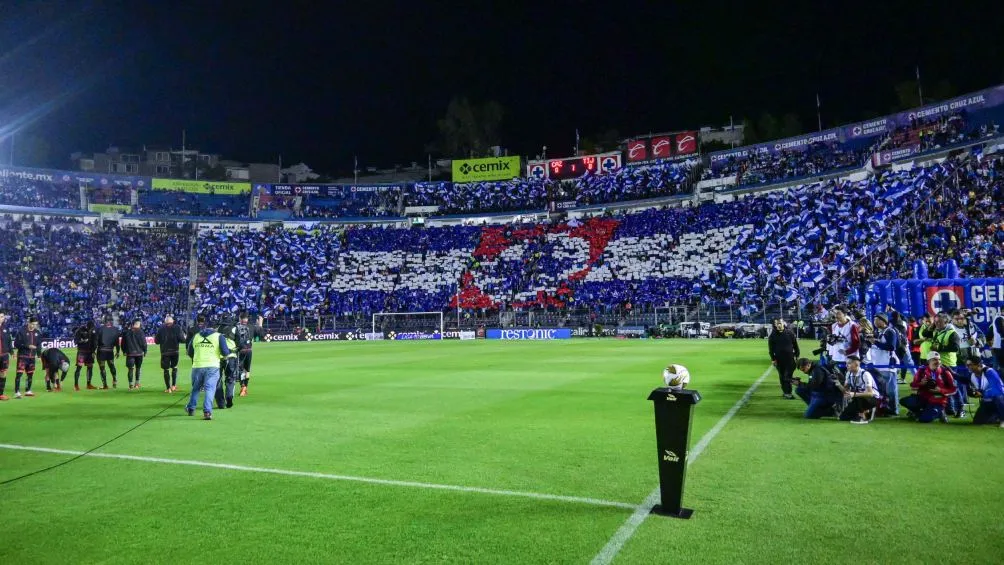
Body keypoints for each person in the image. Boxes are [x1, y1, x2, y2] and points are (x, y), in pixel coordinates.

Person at [186, 315, 230, 421]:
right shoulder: (219, 336)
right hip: (212, 366)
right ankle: (207, 412)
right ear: (215, 328)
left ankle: (191, 408)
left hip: (197, 366)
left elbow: (190, 352)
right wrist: (224, 357)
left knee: (195, 388)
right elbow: (225, 352)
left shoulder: (196, 336)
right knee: (210, 389)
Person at [901, 351, 957, 423]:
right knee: (904, 401)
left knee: (923, 420)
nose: (938, 362)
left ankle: (940, 412)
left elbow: (954, 390)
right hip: (923, 398)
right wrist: (921, 383)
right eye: (934, 360)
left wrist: (941, 390)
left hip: (938, 400)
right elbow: (913, 386)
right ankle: (918, 412)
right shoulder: (921, 371)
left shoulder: (945, 372)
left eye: (939, 359)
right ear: (928, 361)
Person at [869, 314, 900, 416]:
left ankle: (893, 409)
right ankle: (884, 408)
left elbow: (892, 347)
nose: (875, 322)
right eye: (874, 320)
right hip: (879, 363)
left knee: (890, 389)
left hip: (887, 364)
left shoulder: (890, 331)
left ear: (883, 321)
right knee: (882, 388)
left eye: (877, 320)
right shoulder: (879, 332)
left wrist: (876, 342)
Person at [837, 355, 880, 424]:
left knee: (858, 397)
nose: (846, 365)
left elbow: (870, 393)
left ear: (856, 364)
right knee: (843, 417)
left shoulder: (865, 374)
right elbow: (845, 391)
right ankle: (864, 412)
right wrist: (838, 383)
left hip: (872, 399)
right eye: (846, 363)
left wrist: (853, 394)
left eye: (849, 363)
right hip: (858, 398)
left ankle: (863, 416)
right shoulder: (849, 373)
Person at [965, 358, 1004, 427]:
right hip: (987, 402)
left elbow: (995, 389)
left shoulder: (990, 372)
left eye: (970, 365)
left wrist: (982, 393)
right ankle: (996, 416)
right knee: (977, 421)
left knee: (998, 397)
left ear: (978, 365)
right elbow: (965, 383)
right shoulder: (972, 375)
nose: (968, 367)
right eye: (967, 365)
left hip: (999, 398)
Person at [768, 318, 800, 399]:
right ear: (775, 325)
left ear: (783, 323)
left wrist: (797, 355)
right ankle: (785, 392)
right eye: (777, 323)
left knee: (787, 376)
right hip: (779, 360)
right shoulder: (773, 335)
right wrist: (773, 359)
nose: (779, 325)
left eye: (780, 323)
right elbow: (771, 349)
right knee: (782, 376)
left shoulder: (790, 333)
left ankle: (788, 393)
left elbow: (795, 345)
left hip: (790, 359)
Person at [234, 313, 264, 397]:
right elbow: (261, 336)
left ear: (240, 318)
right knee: (247, 370)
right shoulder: (251, 326)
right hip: (249, 350)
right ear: (247, 318)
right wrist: (260, 324)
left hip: (240, 351)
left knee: (240, 370)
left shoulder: (236, 326)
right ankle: (245, 388)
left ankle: (243, 386)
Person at [13, 316, 43, 398]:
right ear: (29, 323)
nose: (34, 326)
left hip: (32, 357)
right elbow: (16, 344)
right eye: (32, 324)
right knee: (19, 374)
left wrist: (39, 355)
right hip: (23, 356)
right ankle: (17, 392)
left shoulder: (38, 333)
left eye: (35, 324)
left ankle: (28, 390)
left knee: (30, 374)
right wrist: (28, 346)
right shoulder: (22, 331)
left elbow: (39, 345)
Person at [155, 315, 187, 393]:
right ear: (172, 321)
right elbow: (182, 340)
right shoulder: (177, 327)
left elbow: (156, 341)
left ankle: (168, 388)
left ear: (165, 322)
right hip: (175, 351)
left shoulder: (161, 328)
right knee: (174, 367)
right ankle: (173, 386)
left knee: (166, 369)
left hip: (165, 352)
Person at [214, 319, 239, 409]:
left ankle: (220, 403)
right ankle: (229, 397)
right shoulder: (234, 328)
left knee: (217, 380)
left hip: (218, 358)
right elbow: (239, 342)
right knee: (230, 378)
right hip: (231, 357)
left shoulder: (216, 329)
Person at [120, 319, 148, 389]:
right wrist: (145, 351)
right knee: (138, 368)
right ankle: (137, 384)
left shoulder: (126, 332)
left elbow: (123, 344)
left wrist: (124, 351)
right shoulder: (141, 332)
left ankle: (130, 385)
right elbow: (144, 343)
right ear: (138, 324)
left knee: (130, 369)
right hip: (139, 353)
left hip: (130, 354)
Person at [95, 316, 121, 389]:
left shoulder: (100, 329)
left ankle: (105, 385)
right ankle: (115, 380)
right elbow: (117, 342)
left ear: (104, 321)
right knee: (112, 366)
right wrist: (118, 351)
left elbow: (96, 341)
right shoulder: (116, 330)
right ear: (110, 321)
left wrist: (93, 351)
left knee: (102, 368)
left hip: (101, 351)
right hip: (110, 351)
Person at [73, 321, 98, 391]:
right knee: (79, 368)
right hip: (82, 352)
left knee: (90, 367)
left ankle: (89, 384)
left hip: (90, 353)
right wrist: (84, 341)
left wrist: (93, 351)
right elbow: (75, 341)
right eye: (91, 327)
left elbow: (94, 342)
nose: (92, 329)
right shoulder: (79, 331)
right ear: (88, 326)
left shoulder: (92, 332)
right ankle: (76, 385)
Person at [0, 311, 13, 401]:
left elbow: (9, 341)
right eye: (0, 316)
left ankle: (1, 394)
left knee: (3, 374)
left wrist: (12, 352)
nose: (1, 318)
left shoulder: (5, 329)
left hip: (4, 355)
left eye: (2, 316)